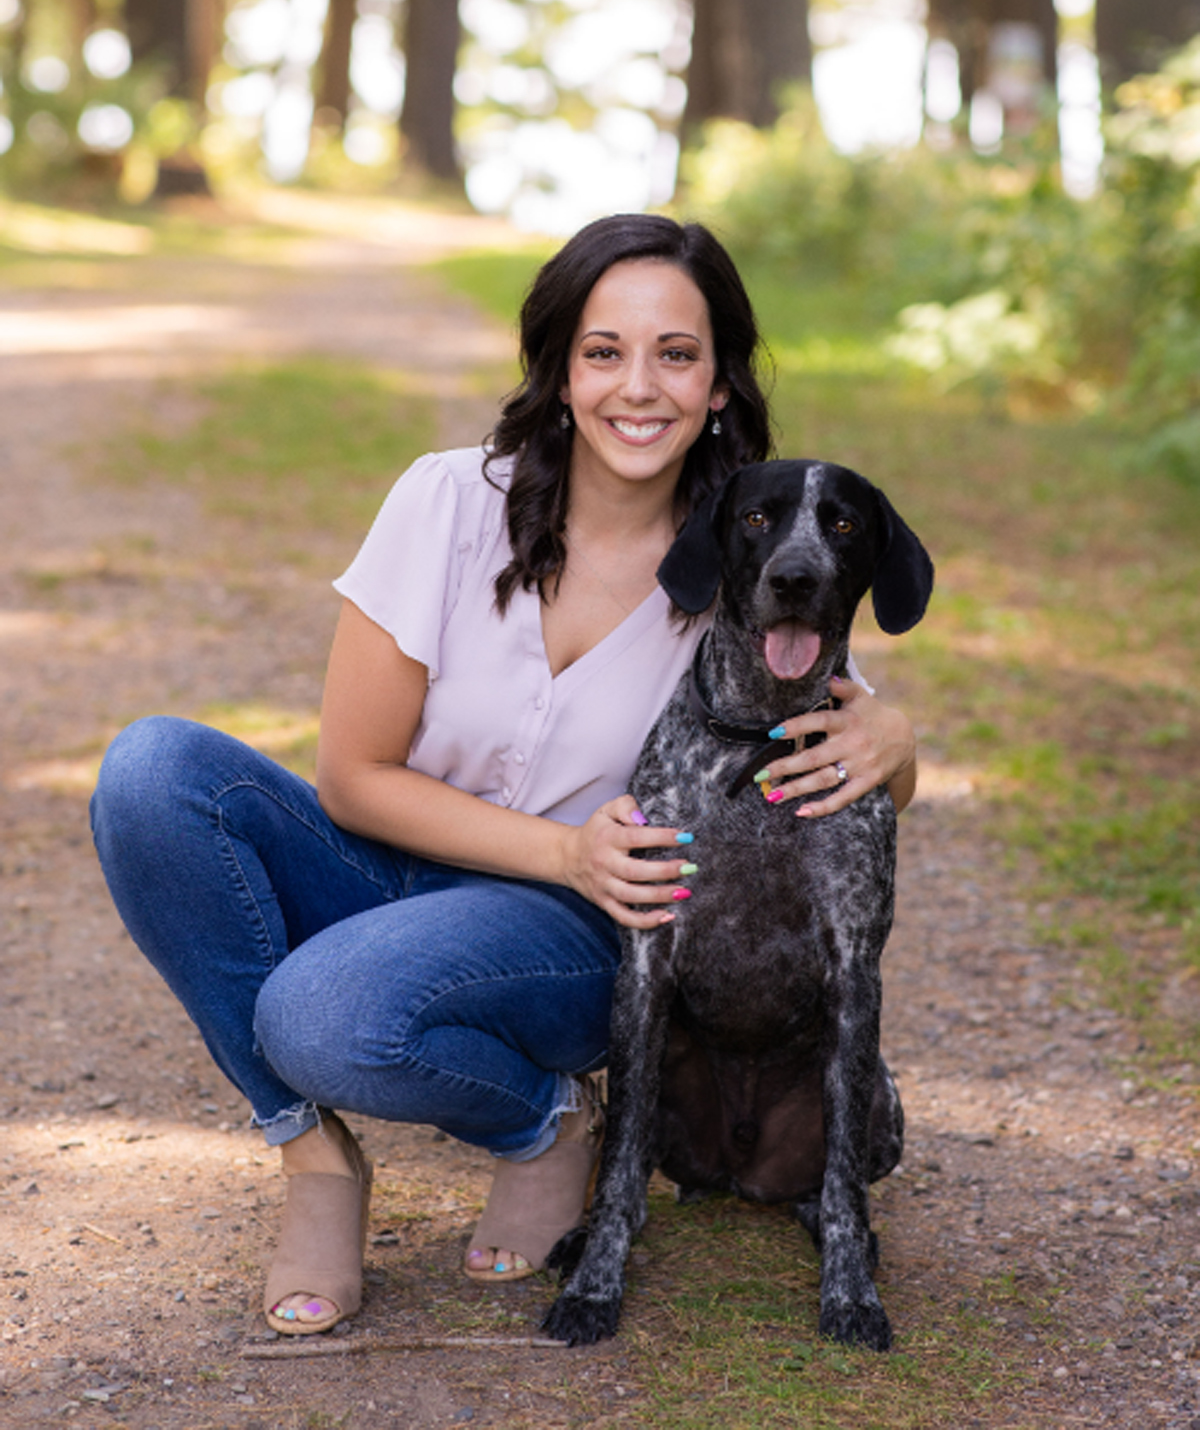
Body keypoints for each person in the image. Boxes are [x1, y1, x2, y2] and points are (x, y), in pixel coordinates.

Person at [90, 214, 917, 1338]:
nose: (640, 387)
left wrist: (898, 747)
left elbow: (843, 752)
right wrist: (560, 841)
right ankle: (311, 1159)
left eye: (676, 354)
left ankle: (547, 1127)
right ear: (561, 371)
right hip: (400, 863)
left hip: (572, 932)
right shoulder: (447, 500)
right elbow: (350, 777)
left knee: (324, 1014)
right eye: (603, 351)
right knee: (152, 771)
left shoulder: (741, 549)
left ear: (719, 381)